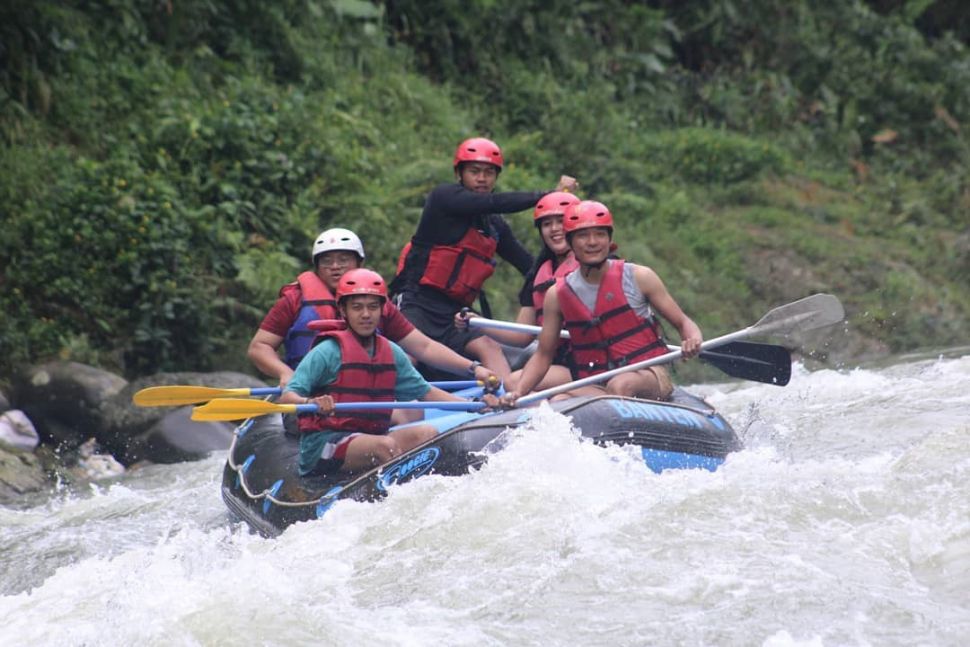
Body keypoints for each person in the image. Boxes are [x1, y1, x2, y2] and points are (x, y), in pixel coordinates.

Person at [390, 137, 578, 385]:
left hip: (456, 313)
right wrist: (547, 195)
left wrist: (570, 267)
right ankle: (398, 408)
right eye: (474, 171)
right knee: (410, 355)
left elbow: (529, 265)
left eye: (489, 173)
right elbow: (491, 202)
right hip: (416, 302)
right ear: (460, 173)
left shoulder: (493, 226)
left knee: (489, 346)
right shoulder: (443, 198)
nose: (482, 178)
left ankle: (508, 402)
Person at [279, 269, 495, 476]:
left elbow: (426, 392)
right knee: (385, 446)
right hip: (325, 443)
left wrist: (476, 406)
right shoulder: (326, 352)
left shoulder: (390, 351)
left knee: (427, 435)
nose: (366, 314)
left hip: (373, 435)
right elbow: (289, 395)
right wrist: (311, 403)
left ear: (383, 310)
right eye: (357, 307)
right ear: (343, 310)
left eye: (373, 307)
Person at [500, 200, 703, 406]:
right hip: (596, 381)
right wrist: (518, 392)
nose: (592, 242)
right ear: (570, 243)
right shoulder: (557, 295)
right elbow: (543, 355)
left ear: (609, 239)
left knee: (621, 384)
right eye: (583, 236)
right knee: (560, 401)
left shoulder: (639, 276)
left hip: (648, 374)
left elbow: (683, 322)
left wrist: (692, 338)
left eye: (599, 234)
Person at [247, 227, 498, 390]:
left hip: (366, 391)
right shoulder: (295, 300)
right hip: (310, 391)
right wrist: (284, 373)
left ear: (359, 263)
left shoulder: (375, 302)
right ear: (316, 266)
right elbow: (259, 346)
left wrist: (473, 368)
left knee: (408, 412)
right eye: (327, 261)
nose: (335, 267)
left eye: (343, 259)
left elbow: (424, 346)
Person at [456, 191, 581, 391]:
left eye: (561, 221)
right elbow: (521, 337)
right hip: (558, 363)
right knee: (517, 383)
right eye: (547, 224)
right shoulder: (539, 274)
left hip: (592, 362)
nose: (555, 229)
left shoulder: (592, 266)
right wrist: (477, 324)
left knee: (515, 382)